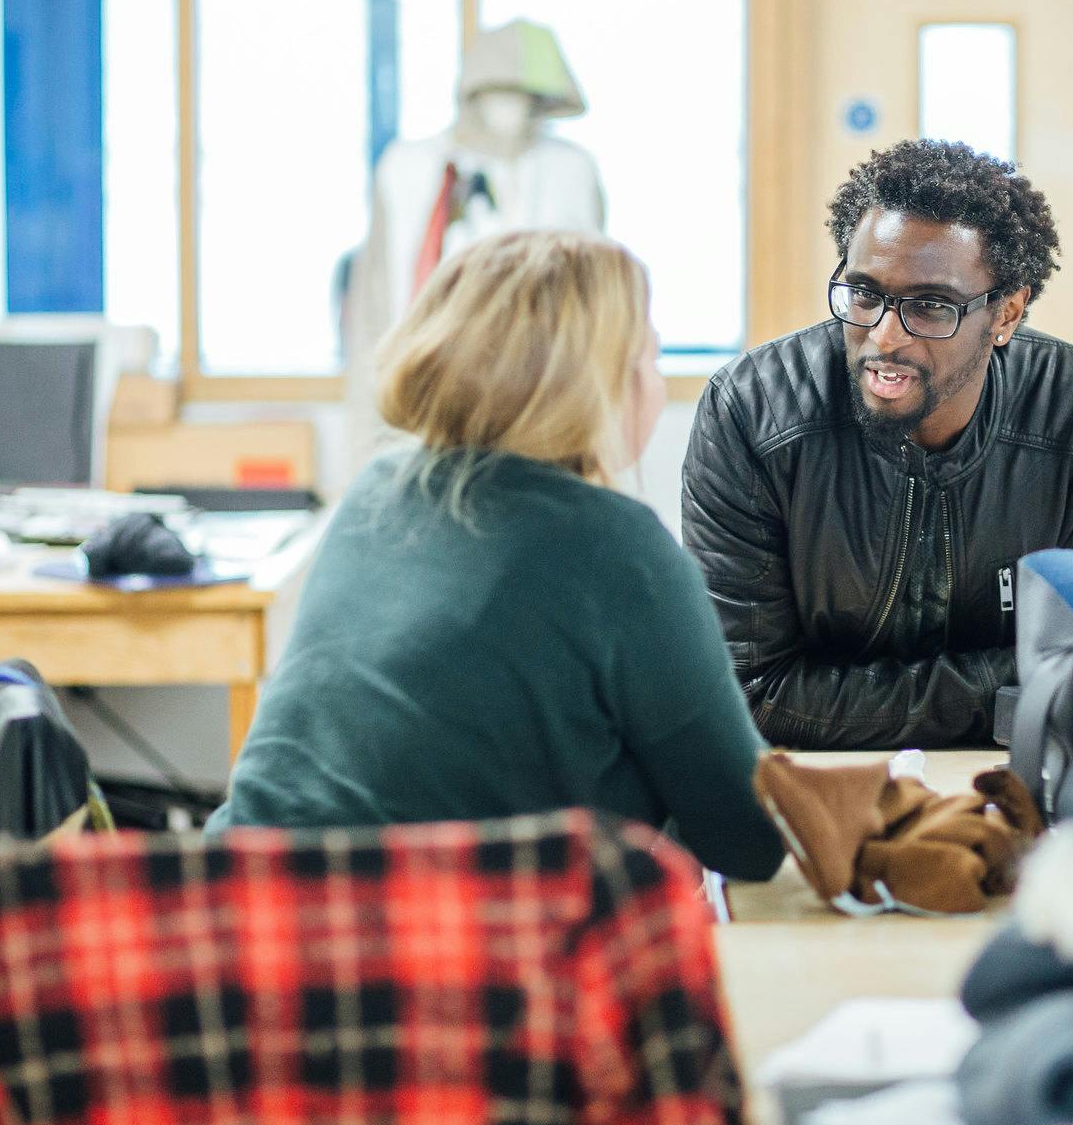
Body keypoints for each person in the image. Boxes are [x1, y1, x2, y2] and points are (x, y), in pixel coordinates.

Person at [211, 230, 785, 881]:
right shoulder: (621, 550)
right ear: (601, 383)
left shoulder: (375, 489)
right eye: (649, 357)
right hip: (398, 944)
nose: (654, 384)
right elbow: (750, 840)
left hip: (226, 905)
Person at [682, 139, 1073, 751]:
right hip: (818, 788)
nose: (884, 336)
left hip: (1015, 781)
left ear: (1007, 313)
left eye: (930, 306)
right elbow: (747, 692)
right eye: (864, 294)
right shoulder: (753, 410)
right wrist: (1007, 685)